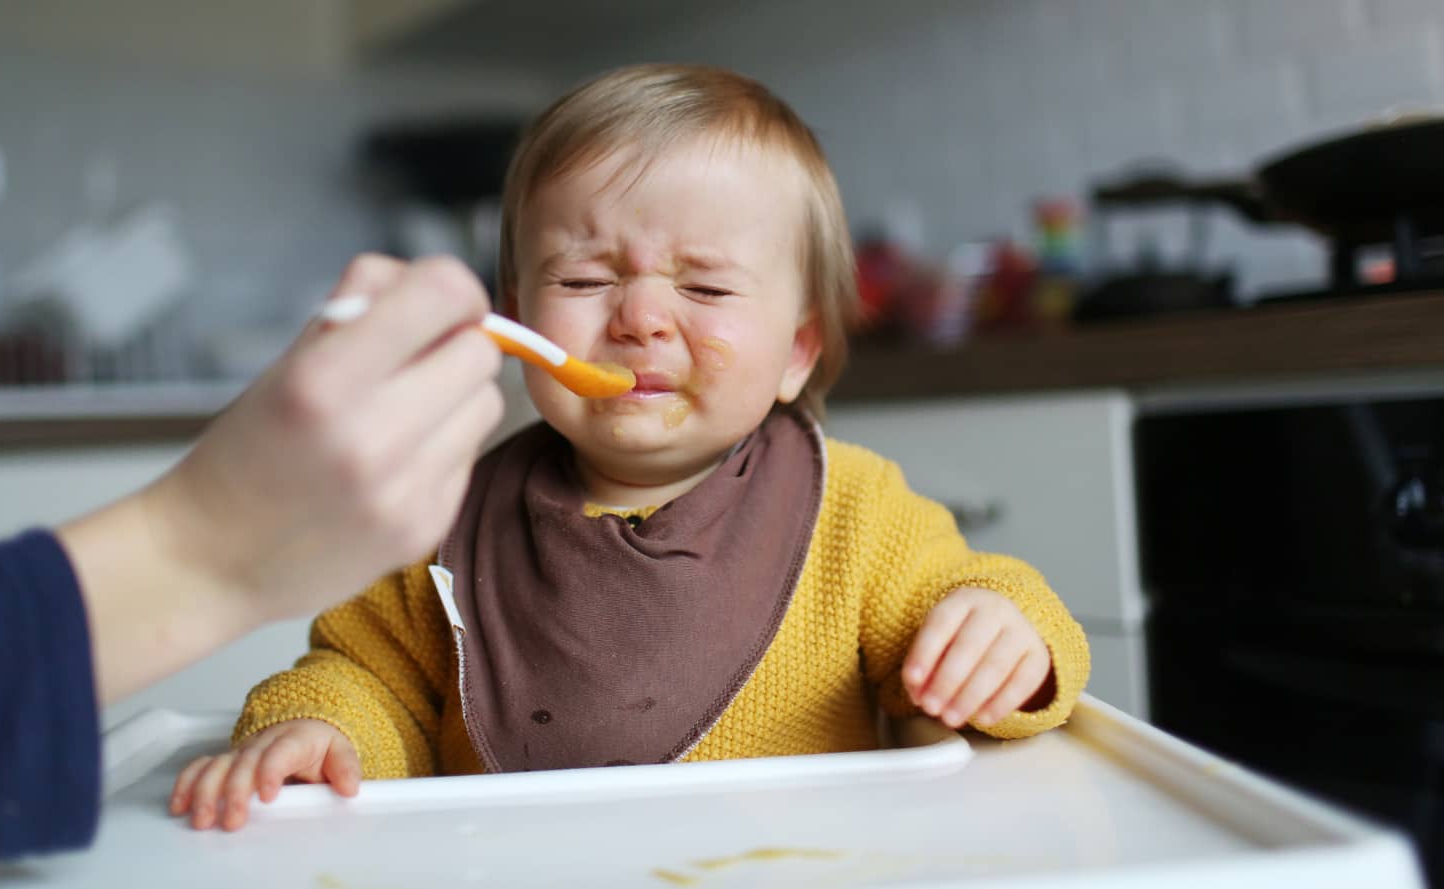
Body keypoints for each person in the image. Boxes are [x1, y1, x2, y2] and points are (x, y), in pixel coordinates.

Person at [171, 64, 1092, 833]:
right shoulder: (440, 518)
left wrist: (1004, 635)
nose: (641, 318)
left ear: (799, 350)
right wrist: (312, 733)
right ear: (519, 318)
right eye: (584, 277)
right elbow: (368, 680)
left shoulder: (853, 511)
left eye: (707, 288)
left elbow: (968, 609)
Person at [0, 254, 505, 876]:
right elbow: (381, 686)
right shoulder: (452, 533)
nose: (616, 318)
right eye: (579, 280)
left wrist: (198, 546)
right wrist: (326, 728)